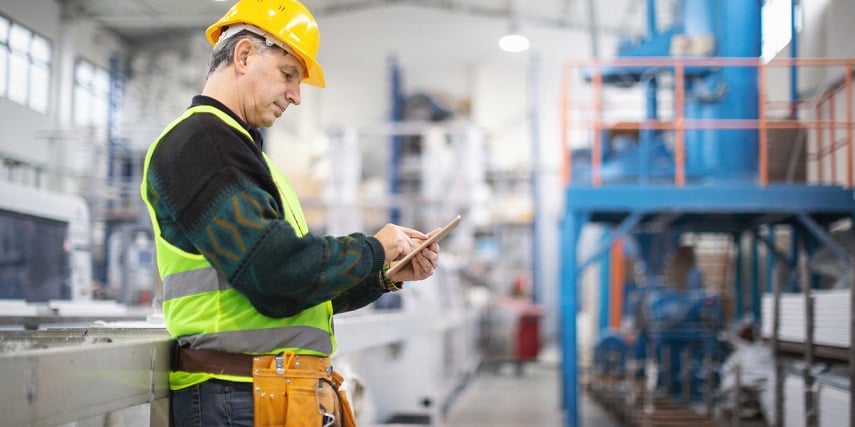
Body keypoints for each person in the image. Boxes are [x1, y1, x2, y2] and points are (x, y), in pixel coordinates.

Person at [139, 0, 440, 425]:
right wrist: (373, 248)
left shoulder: (241, 155)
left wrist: (384, 272)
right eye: (288, 75)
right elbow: (275, 274)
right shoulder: (202, 142)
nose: (296, 96)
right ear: (243, 56)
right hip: (237, 397)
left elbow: (298, 294)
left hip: (265, 393)